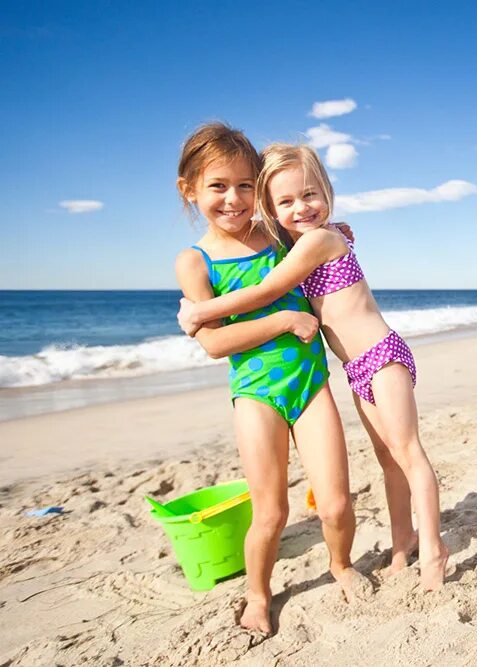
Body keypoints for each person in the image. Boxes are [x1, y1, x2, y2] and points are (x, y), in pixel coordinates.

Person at [177, 143, 449, 590]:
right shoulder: (297, 239)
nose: (300, 208)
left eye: (310, 196)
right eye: (285, 201)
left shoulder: (317, 240)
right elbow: (277, 249)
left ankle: (434, 549)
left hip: (380, 355)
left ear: (326, 190)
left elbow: (267, 289)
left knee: (407, 453)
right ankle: (404, 544)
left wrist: (199, 311)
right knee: (388, 460)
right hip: (354, 367)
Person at [173, 124, 368, 636]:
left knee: (336, 502)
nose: (234, 199)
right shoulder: (195, 260)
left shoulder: (277, 233)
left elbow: (314, 230)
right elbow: (213, 342)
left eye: (244, 185)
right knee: (272, 512)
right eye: (218, 186)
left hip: (309, 383)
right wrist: (284, 321)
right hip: (256, 394)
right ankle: (258, 594)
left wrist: (336, 228)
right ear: (189, 190)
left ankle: (341, 563)